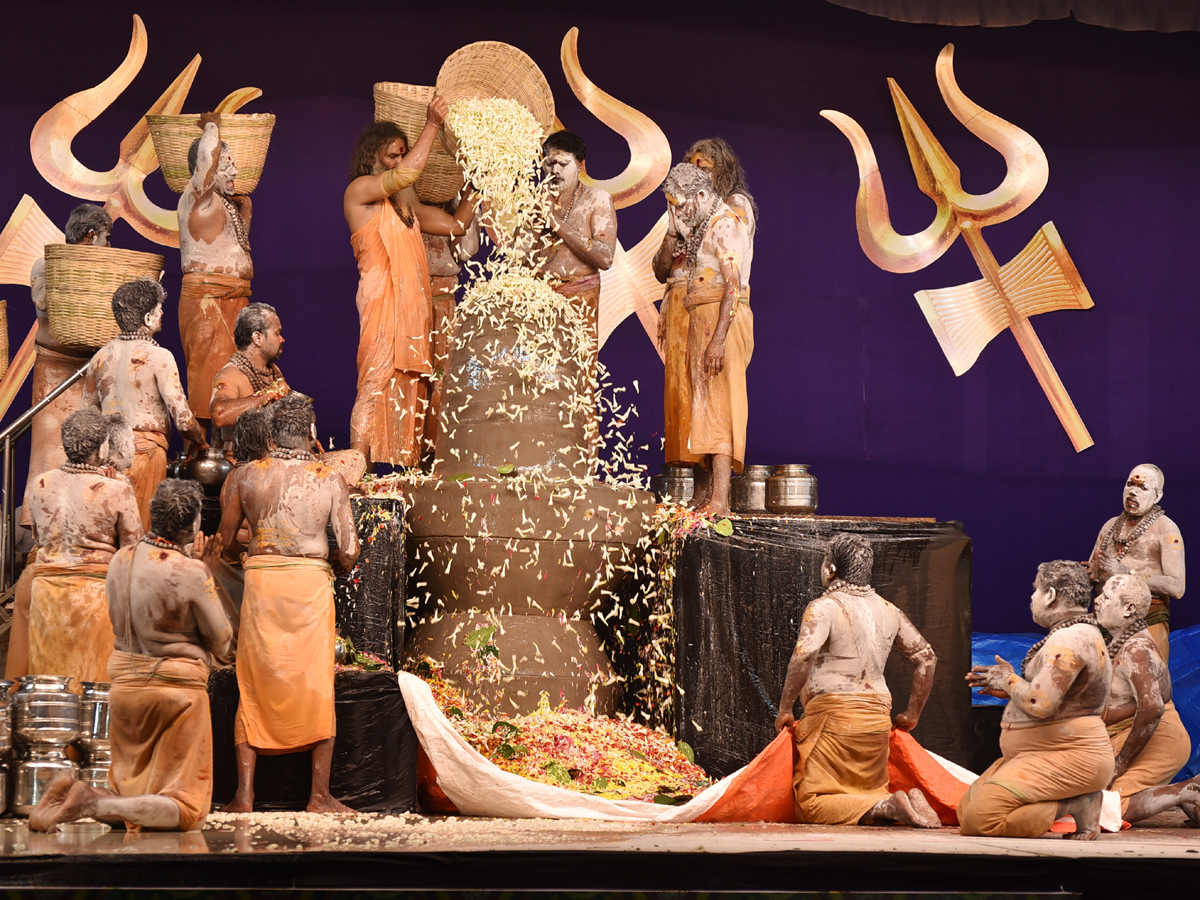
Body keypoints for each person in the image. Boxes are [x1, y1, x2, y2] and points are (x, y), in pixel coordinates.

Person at [28, 480, 234, 833]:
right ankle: (93, 802)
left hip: (124, 690)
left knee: (134, 794)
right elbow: (222, 640)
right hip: (175, 696)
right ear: (193, 524)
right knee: (187, 809)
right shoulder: (189, 571)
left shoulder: (120, 560)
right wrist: (208, 576)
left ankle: (82, 795)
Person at [216, 395, 360, 813]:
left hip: (262, 585)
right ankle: (319, 796)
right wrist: (326, 558)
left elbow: (225, 543)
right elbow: (349, 550)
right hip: (308, 586)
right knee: (316, 685)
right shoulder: (328, 478)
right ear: (311, 433)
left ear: (271, 435)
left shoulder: (247, 476)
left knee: (255, 683)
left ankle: (244, 795)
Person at [343, 99, 478, 468]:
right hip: (381, 302)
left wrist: (479, 178)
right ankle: (359, 469)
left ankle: (406, 472)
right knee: (376, 380)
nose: (400, 163)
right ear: (372, 158)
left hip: (412, 312)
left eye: (403, 154)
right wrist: (433, 124)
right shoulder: (359, 193)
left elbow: (457, 225)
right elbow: (404, 178)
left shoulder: (407, 208)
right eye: (392, 155)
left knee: (412, 386)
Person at [775, 533, 939, 827]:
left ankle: (888, 806)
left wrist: (785, 708)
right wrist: (912, 713)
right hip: (876, 721)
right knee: (865, 790)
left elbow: (804, 655)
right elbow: (927, 658)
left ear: (830, 569)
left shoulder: (823, 607)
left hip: (834, 720)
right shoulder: (891, 611)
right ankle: (893, 802)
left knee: (811, 804)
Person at [960, 560, 1113, 840]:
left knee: (979, 820)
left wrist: (1008, 678)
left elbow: (1041, 704)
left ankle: (1076, 803)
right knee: (965, 808)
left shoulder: (1071, 639)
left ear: (1051, 596)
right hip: (1042, 754)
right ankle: (1068, 801)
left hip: (1068, 756)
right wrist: (1010, 691)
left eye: (1036, 589)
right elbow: (1059, 699)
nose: (1032, 597)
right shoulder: (1074, 634)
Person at [655, 139, 757, 479]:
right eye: (693, 168)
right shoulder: (691, 214)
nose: (698, 174)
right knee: (697, 401)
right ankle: (702, 491)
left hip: (720, 311)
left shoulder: (728, 214)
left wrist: (716, 338)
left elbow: (732, 279)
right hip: (692, 310)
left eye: (705, 169)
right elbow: (661, 269)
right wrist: (675, 232)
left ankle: (718, 496)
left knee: (719, 400)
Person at [25, 409, 142, 688]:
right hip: (95, 597)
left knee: (50, 683)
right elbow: (133, 550)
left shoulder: (40, 484)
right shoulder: (116, 489)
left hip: (47, 594)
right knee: (93, 684)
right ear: (103, 447)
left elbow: (40, 537)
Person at [82, 279, 208, 529]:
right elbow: (183, 421)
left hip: (105, 458)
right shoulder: (159, 357)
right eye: (159, 308)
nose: (162, 313)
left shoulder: (99, 357)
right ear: (148, 318)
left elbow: (85, 419)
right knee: (139, 530)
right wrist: (201, 441)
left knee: (110, 530)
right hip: (144, 455)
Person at [20, 203, 113, 532]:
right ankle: (43, 529)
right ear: (90, 237)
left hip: (88, 373)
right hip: (55, 371)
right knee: (50, 452)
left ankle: (84, 525)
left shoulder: (102, 270)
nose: (109, 246)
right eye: (106, 238)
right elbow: (45, 306)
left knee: (88, 453)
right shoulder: (45, 265)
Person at [1094, 573, 1198, 824]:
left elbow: (1152, 709)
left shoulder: (1136, 648)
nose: (1097, 601)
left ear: (1128, 609)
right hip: (1130, 734)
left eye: (1106, 597)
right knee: (1082, 797)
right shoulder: (1122, 641)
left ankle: (1188, 791)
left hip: (1160, 737)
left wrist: (1120, 763)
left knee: (1103, 811)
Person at [178, 112, 254, 440]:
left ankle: (230, 452)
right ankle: (197, 453)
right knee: (206, 385)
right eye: (226, 165)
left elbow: (237, 249)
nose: (234, 171)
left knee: (233, 382)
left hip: (234, 301)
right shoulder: (198, 199)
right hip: (208, 302)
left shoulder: (223, 206)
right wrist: (212, 127)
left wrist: (245, 210)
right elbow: (206, 161)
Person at [1088, 464, 1184, 662]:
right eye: (1130, 484)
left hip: (1145, 618)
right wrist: (1085, 575)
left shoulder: (1167, 530)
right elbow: (1092, 570)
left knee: (1145, 680)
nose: (1132, 491)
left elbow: (1177, 587)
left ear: (1157, 496)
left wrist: (1127, 573)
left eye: (1142, 488)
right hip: (1104, 615)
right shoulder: (1110, 525)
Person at [536, 131, 617, 333]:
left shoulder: (597, 199)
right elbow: (519, 257)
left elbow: (605, 258)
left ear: (581, 165)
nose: (555, 170)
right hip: (537, 303)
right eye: (550, 163)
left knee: (577, 364)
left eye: (563, 164)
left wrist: (555, 223)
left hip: (580, 303)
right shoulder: (535, 201)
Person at [422, 195, 479, 457]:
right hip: (410, 300)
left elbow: (466, 250)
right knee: (411, 380)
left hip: (445, 302)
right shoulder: (406, 200)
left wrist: (463, 202)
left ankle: (436, 458)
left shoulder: (457, 202)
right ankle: (406, 458)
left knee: (443, 379)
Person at [209, 303, 289, 453]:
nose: (282, 339)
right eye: (277, 333)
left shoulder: (273, 372)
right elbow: (220, 414)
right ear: (257, 338)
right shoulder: (230, 374)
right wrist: (269, 393)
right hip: (241, 463)